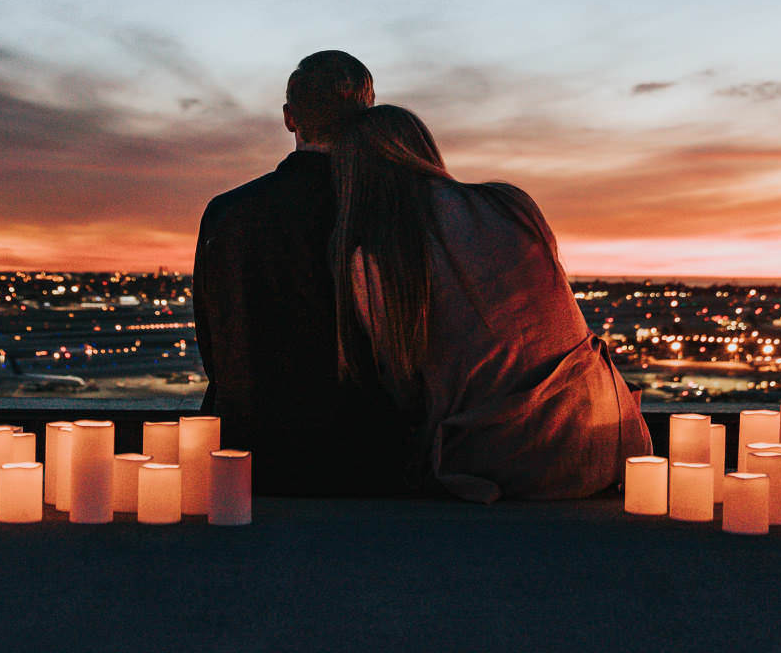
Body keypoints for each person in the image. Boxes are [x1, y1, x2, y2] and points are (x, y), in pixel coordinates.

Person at [330, 105, 652, 502]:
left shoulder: (377, 258)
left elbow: (403, 389)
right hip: (611, 439)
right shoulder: (511, 204)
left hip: (504, 462)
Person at [193, 51, 412, 494]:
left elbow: (216, 348)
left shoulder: (227, 213)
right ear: (368, 117)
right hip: (366, 455)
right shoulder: (393, 213)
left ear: (290, 118)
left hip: (249, 451)